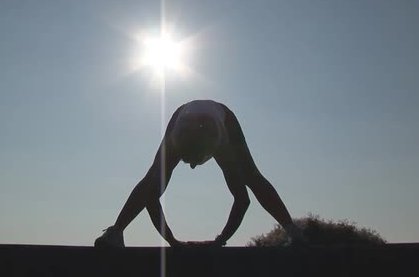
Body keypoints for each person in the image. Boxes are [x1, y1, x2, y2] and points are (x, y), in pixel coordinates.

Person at [94, 99, 307, 247]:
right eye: (188, 161)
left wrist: (220, 240)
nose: (193, 167)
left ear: (210, 153)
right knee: (153, 177)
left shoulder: (224, 147)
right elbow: (150, 196)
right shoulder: (175, 143)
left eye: (194, 162)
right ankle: (115, 232)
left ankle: (293, 230)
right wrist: (171, 240)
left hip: (224, 118)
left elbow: (243, 200)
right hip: (182, 114)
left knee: (251, 176)